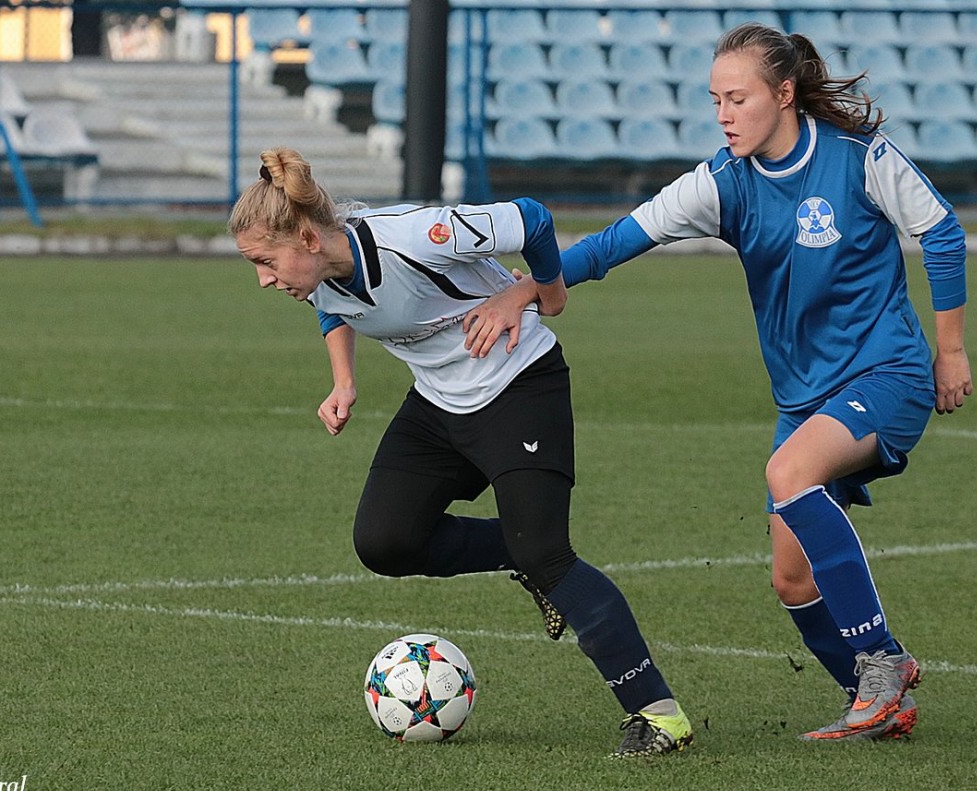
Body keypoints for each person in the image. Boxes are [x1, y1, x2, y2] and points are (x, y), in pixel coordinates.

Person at [498, 22, 972, 741]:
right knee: (792, 580)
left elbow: (942, 232)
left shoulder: (859, 159)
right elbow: (617, 241)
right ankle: (875, 702)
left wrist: (952, 351)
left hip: (889, 372)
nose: (723, 114)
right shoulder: (721, 183)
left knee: (789, 472)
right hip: (804, 397)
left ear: (784, 93)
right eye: (715, 100)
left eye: (738, 99)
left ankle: (883, 660)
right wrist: (535, 284)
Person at [227, 147, 694, 758]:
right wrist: (344, 381)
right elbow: (331, 308)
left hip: (519, 386)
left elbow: (532, 218)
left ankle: (658, 714)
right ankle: (520, 550)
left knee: (549, 556)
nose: (264, 279)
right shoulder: (320, 270)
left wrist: (541, 292)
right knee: (386, 542)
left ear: (308, 238)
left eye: (265, 262)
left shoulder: (416, 238)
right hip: (437, 403)